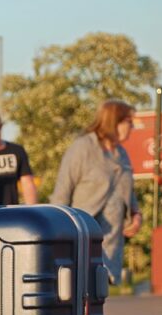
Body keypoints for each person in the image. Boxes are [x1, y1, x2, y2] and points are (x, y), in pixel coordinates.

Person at [50, 100, 142, 284]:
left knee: (100, 296)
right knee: (82, 294)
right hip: (83, 236)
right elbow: (62, 190)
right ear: (114, 121)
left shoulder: (121, 153)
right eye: (128, 122)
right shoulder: (83, 147)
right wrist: (56, 233)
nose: (132, 127)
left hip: (111, 244)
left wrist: (135, 213)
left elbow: (127, 188)